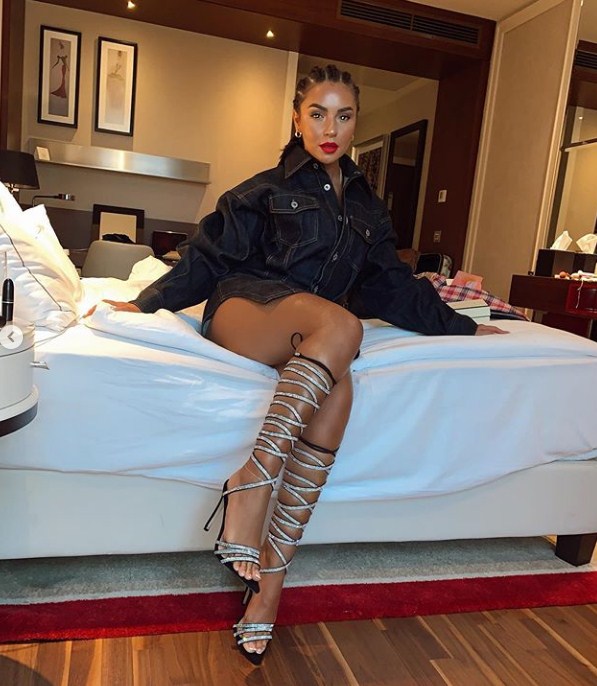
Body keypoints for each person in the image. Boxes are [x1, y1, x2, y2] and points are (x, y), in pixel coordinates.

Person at [90, 64, 506, 665]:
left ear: (356, 122)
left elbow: (392, 287)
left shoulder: (368, 208)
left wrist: (463, 324)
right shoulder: (262, 190)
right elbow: (207, 260)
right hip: (246, 305)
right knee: (344, 328)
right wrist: (145, 303)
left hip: (312, 328)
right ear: (296, 118)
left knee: (340, 386)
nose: (330, 129)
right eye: (317, 114)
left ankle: (269, 589)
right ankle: (251, 481)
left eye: (344, 116)